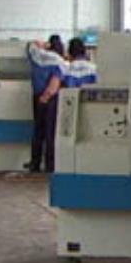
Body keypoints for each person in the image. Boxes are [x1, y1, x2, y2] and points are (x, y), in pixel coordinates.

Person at [37, 39, 98, 173]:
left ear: (69, 53)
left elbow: (52, 89)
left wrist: (43, 99)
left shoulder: (64, 67)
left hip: (66, 107)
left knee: (55, 137)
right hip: (89, 108)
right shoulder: (94, 68)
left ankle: (53, 167)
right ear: (85, 52)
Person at [26, 36, 66, 172]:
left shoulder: (36, 55)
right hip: (50, 99)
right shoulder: (59, 61)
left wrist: (42, 45)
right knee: (50, 133)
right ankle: (50, 165)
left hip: (36, 97)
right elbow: (55, 83)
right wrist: (46, 96)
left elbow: (31, 44)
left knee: (37, 132)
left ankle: (35, 164)